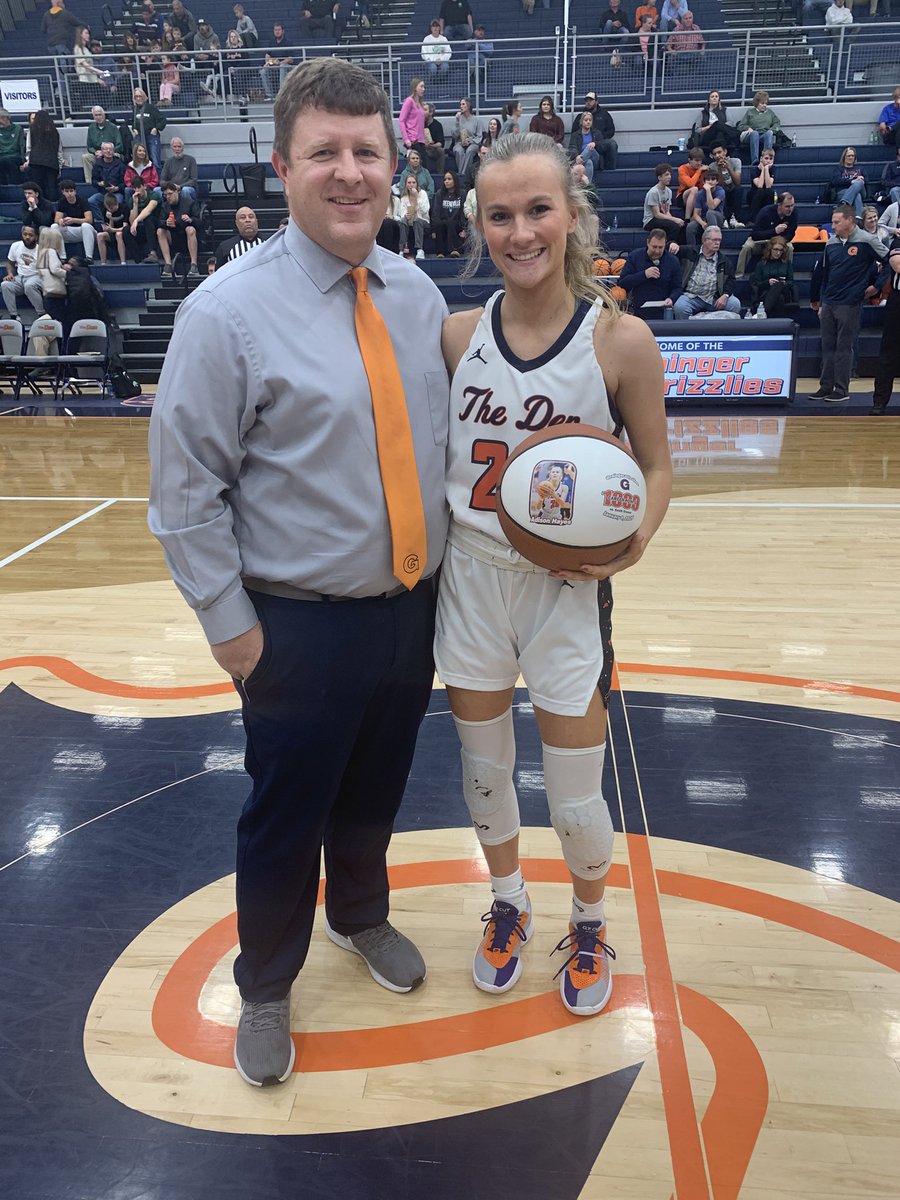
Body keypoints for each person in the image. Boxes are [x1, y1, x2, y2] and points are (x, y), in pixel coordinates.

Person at [148, 56, 449, 1088]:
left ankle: (359, 915)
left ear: (395, 165)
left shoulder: (417, 295)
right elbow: (184, 494)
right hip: (297, 626)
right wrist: (234, 632)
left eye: (367, 151)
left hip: (410, 609)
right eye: (324, 152)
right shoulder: (224, 314)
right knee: (284, 813)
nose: (349, 172)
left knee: (377, 790)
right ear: (281, 167)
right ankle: (267, 981)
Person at [438, 131, 671, 1018]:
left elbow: (656, 467)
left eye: (538, 209)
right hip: (471, 579)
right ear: (481, 226)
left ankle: (588, 919)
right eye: (500, 215)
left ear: (572, 215)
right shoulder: (455, 337)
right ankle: (507, 904)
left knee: (575, 796)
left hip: (566, 591)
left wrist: (637, 537)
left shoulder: (621, 340)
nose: (521, 231)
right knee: (484, 772)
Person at [808, 203, 887, 403]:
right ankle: (825, 386)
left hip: (850, 301)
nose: (833, 226)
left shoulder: (867, 240)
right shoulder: (831, 243)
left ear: (849, 220)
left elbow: (889, 261)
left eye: (836, 222)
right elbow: (824, 273)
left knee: (843, 346)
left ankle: (841, 389)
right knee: (827, 345)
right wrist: (818, 300)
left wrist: (876, 286)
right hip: (829, 301)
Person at [673, 226, 741, 318]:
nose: (717, 243)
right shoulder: (690, 252)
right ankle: (688, 328)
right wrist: (672, 244)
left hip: (714, 298)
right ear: (704, 240)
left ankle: (721, 327)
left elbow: (731, 280)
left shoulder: (724, 260)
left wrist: (725, 295)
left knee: (734, 304)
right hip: (691, 296)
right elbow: (668, 249)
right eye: (714, 240)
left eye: (719, 240)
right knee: (680, 307)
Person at [618, 226, 682, 319]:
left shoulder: (673, 261)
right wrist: (644, 274)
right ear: (648, 242)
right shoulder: (635, 256)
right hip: (638, 310)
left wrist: (671, 299)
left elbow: (677, 288)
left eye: (661, 247)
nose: (657, 251)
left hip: (663, 310)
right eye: (654, 247)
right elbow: (623, 282)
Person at [871, 232, 900, 414]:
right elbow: (897, 265)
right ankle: (880, 401)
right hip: (898, 301)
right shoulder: (898, 241)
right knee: (889, 352)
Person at [736, 193, 797, 275]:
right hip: (762, 240)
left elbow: (791, 234)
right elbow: (755, 235)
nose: (790, 209)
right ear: (779, 205)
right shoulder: (766, 212)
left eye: (792, 205)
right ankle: (739, 275)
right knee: (747, 247)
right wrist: (774, 231)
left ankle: (787, 274)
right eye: (787, 206)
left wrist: (779, 241)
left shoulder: (793, 213)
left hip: (780, 241)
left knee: (790, 248)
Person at [156, 181, 200, 277]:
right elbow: (159, 222)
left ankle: (194, 264)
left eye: (170, 194)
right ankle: (168, 264)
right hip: (173, 237)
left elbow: (199, 222)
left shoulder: (190, 203)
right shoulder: (165, 205)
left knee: (190, 229)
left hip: (187, 237)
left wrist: (190, 220)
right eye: (166, 195)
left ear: (177, 191)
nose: (168, 197)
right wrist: (166, 222)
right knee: (160, 231)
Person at [2, 225, 42, 318]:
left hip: (36, 276)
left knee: (29, 286)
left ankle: (42, 313)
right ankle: (14, 315)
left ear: (36, 237)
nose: (27, 237)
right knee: (5, 285)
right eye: (25, 234)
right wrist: (10, 274)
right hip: (20, 277)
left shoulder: (41, 250)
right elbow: (10, 263)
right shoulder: (15, 246)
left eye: (30, 235)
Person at [748, 237, 795, 317]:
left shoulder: (787, 263)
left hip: (785, 291)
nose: (778, 253)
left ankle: (763, 312)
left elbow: (791, 282)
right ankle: (778, 322)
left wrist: (784, 283)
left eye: (781, 250)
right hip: (766, 292)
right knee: (780, 298)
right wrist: (768, 282)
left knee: (778, 285)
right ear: (770, 249)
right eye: (775, 249)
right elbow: (756, 283)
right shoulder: (761, 264)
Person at [22, 111, 61, 204]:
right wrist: (60, 164)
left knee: (38, 187)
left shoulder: (32, 130)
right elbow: (58, 149)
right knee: (52, 187)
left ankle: (40, 205)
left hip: (36, 162)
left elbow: (29, 148)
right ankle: (53, 206)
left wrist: (28, 160)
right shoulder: (55, 131)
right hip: (52, 162)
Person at [572, 93, 617, 171]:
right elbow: (573, 138)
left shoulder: (604, 114)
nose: (588, 102)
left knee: (610, 144)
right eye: (587, 100)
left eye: (591, 100)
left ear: (596, 101)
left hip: (598, 145)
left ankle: (575, 167)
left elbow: (611, 131)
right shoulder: (579, 117)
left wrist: (596, 140)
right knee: (589, 162)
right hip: (582, 151)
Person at [54, 180, 97, 261]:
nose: (69, 193)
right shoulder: (62, 202)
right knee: (54, 226)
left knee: (85, 226)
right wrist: (61, 221)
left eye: (71, 191)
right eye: (67, 191)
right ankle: (62, 257)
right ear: (63, 192)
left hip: (85, 231)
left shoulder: (83, 201)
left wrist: (73, 220)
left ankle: (89, 257)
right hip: (71, 231)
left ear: (75, 191)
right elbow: (56, 219)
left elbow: (89, 220)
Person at [643, 162, 684, 242]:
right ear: (659, 177)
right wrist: (674, 219)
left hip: (661, 218)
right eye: (666, 175)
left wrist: (674, 220)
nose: (669, 177)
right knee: (674, 226)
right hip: (650, 220)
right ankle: (668, 245)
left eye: (670, 175)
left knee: (681, 225)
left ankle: (676, 246)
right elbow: (657, 214)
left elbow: (667, 211)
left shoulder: (669, 191)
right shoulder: (653, 192)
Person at [35, 227, 67, 327]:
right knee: (61, 323)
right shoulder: (51, 252)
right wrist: (68, 274)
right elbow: (55, 269)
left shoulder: (41, 253)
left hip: (47, 293)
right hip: (56, 294)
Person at [82, 105, 123, 183]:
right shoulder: (91, 128)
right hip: (97, 154)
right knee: (85, 157)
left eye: (100, 115)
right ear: (93, 116)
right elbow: (89, 146)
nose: (98, 117)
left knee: (117, 156)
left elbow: (120, 146)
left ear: (104, 115)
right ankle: (89, 182)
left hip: (111, 153)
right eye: (96, 115)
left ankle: (114, 181)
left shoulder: (113, 127)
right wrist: (95, 152)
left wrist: (106, 152)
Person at [685, 166, 725, 247]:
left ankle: (713, 245)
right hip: (703, 218)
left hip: (717, 218)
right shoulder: (700, 194)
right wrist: (702, 223)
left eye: (713, 179)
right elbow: (696, 214)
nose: (710, 182)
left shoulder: (720, 191)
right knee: (690, 227)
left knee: (710, 213)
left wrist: (708, 190)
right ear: (704, 182)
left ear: (717, 181)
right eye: (708, 180)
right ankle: (692, 250)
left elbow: (712, 206)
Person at [738, 92, 782, 165]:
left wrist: (772, 130)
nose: (764, 105)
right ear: (757, 103)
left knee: (769, 134)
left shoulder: (770, 113)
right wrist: (748, 128)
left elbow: (777, 123)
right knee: (755, 133)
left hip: (763, 135)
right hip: (751, 135)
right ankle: (755, 161)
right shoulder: (750, 112)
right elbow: (740, 125)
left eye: (766, 103)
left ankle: (767, 159)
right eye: (762, 103)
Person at [430, 169, 466, 257]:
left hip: (457, 224)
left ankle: (455, 250)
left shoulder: (462, 193)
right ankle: (440, 253)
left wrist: (465, 229)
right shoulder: (439, 194)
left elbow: (463, 212)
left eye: (449, 179)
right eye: (445, 179)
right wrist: (434, 229)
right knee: (440, 225)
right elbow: (436, 213)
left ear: (455, 180)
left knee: (451, 223)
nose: (446, 181)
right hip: (443, 223)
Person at [89, 142, 126, 226]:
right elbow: (93, 181)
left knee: (118, 201)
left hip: (117, 193)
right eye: (106, 149)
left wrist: (117, 188)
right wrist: (99, 183)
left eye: (110, 149)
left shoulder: (120, 165)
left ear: (114, 151)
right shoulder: (97, 164)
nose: (108, 151)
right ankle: (101, 222)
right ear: (102, 151)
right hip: (103, 193)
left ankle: (116, 224)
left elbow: (126, 183)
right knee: (91, 200)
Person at [395, 173, 430, 258]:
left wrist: (417, 197)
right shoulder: (404, 197)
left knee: (417, 220)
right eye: (409, 182)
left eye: (414, 182)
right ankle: (402, 250)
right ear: (406, 184)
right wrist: (406, 216)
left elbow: (425, 210)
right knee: (403, 221)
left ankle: (420, 249)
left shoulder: (423, 194)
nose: (411, 185)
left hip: (423, 222)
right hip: (409, 222)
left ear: (417, 184)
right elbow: (402, 214)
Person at [131, 88, 166, 170]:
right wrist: (134, 129)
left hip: (151, 137)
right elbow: (133, 122)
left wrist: (156, 128)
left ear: (143, 97)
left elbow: (162, 120)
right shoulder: (135, 109)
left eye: (140, 96)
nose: (138, 98)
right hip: (139, 137)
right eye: (136, 96)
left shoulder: (150, 108)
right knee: (140, 161)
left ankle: (157, 177)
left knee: (155, 160)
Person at [710, 144, 743, 227]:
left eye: (719, 152)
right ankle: (724, 219)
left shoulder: (736, 161)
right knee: (719, 190)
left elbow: (737, 182)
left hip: (733, 189)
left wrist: (728, 168)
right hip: (722, 190)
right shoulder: (712, 166)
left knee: (739, 189)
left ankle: (735, 218)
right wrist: (720, 169)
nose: (717, 156)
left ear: (725, 152)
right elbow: (719, 184)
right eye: (715, 154)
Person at [830, 146, 866, 219]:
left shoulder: (860, 168)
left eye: (852, 156)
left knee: (859, 182)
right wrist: (851, 181)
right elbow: (835, 181)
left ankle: (844, 203)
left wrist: (859, 179)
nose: (851, 157)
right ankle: (858, 219)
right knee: (857, 195)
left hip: (861, 189)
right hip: (843, 192)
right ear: (844, 157)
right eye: (848, 156)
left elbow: (867, 180)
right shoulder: (838, 169)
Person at [259, 23, 294, 98]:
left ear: (283, 31)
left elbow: (291, 59)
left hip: (286, 67)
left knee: (282, 66)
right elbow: (267, 55)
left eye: (279, 30)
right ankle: (269, 95)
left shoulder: (288, 42)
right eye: (275, 30)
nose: (277, 32)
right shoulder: (271, 42)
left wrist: (280, 63)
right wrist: (272, 62)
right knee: (263, 71)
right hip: (274, 65)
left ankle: (281, 94)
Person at [161, 137, 199, 202]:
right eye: (175, 147)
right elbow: (162, 180)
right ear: (171, 148)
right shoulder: (168, 162)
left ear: (183, 148)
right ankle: (164, 208)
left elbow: (193, 180)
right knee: (156, 190)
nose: (177, 149)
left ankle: (187, 208)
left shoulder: (191, 160)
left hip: (186, 188)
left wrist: (180, 186)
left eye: (179, 146)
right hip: (171, 188)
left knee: (185, 190)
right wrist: (171, 186)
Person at [453, 97, 483, 177]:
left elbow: (479, 136)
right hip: (460, 142)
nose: (461, 106)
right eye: (460, 104)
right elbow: (454, 135)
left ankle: (462, 174)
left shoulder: (477, 120)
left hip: (473, 142)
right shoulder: (459, 119)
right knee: (458, 151)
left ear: (469, 106)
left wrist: (470, 141)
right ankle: (462, 174)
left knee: (470, 151)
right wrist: (457, 121)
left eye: (463, 104)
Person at [399, 78, 427, 162]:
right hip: (413, 138)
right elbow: (402, 120)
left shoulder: (421, 104)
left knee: (424, 164)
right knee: (418, 164)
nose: (423, 89)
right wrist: (406, 139)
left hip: (421, 139)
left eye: (424, 87)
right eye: (421, 86)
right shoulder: (409, 101)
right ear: (415, 88)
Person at [124, 142, 159, 209]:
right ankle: (129, 211)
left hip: (147, 189)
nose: (142, 153)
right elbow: (127, 180)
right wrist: (135, 187)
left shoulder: (150, 165)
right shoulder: (130, 166)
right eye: (140, 150)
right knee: (127, 190)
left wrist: (144, 187)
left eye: (144, 151)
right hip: (134, 188)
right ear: (135, 152)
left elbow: (155, 180)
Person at [96, 193, 128, 264]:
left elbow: (125, 227)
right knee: (99, 235)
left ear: (116, 203)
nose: (110, 210)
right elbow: (107, 228)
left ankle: (123, 262)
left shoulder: (124, 208)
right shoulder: (105, 211)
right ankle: (103, 263)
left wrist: (113, 230)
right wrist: (110, 218)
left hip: (123, 232)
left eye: (112, 208)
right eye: (108, 208)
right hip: (112, 233)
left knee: (118, 234)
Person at [568, 111, 600, 182]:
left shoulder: (596, 133)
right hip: (583, 159)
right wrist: (577, 156)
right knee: (589, 162)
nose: (588, 122)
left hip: (595, 158)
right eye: (586, 120)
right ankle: (587, 186)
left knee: (590, 148)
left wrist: (595, 143)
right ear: (581, 122)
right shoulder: (575, 135)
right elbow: (572, 147)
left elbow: (602, 145)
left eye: (590, 120)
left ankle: (575, 167)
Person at [747, 146, 776, 223]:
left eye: (771, 159)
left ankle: (769, 219)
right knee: (760, 191)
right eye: (766, 158)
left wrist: (766, 169)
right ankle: (752, 219)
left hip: (766, 194)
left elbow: (768, 185)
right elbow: (759, 185)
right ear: (761, 159)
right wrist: (763, 169)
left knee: (769, 192)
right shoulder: (754, 169)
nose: (768, 161)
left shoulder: (773, 169)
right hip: (754, 194)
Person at [422, 103, 446, 176]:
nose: (422, 112)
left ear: (431, 112)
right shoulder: (419, 124)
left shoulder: (437, 125)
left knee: (441, 151)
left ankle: (440, 174)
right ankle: (424, 175)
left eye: (425, 110)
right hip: (422, 148)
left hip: (433, 149)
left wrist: (431, 145)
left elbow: (441, 143)